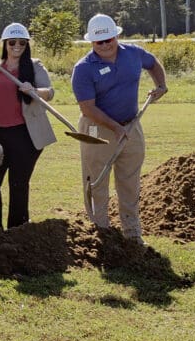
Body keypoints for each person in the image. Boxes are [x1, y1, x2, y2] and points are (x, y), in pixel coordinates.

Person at [72, 13, 167, 244]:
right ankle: (101, 234)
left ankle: (132, 234)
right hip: (96, 129)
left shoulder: (133, 54)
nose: (105, 45)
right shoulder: (83, 68)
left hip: (131, 125)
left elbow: (153, 63)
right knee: (96, 182)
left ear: (116, 36)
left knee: (130, 181)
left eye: (108, 39)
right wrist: (115, 128)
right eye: (98, 42)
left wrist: (161, 85)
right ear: (91, 42)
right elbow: (88, 109)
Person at [0, 23, 57, 229]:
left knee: (18, 185)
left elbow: (50, 92)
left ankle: (18, 232)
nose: (17, 46)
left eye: (22, 43)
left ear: (27, 45)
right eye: (12, 42)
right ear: (5, 44)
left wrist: (34, 90)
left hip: (23, 135)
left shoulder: (34, 66)